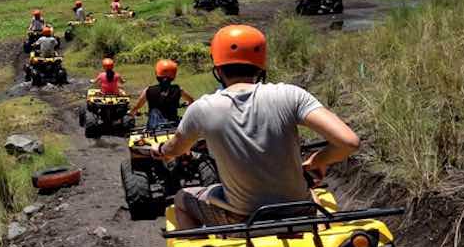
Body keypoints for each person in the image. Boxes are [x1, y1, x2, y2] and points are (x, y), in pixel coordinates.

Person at [150, 24, 360, 229]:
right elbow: (348, 142)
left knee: (181, 199)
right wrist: (317, 160)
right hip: (299, 211)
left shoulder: (202, 108)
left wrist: (160, 151)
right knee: (316, 193)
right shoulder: (290, 94)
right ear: (260, 64)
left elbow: (175, 150)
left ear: (218, 68)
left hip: (241, 217)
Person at [130, 59, 195, 129]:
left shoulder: (148, 90)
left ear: (157, 75)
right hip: (173, 126)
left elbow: (137, 106)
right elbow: (192, 101)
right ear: (173, 76)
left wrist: (131, 113)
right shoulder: (178, 89)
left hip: (154, 128)